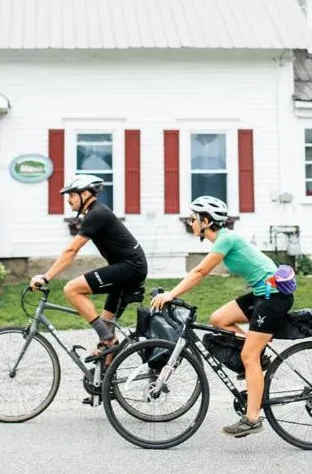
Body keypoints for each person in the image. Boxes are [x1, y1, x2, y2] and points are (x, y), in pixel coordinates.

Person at [150, 195, 293, 439]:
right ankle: (258, 356)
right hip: (262, 294)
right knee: (219, 319)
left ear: (206, 221)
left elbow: (200, 271)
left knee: (248, 355)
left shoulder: (227, 239)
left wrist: (171, 294)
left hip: (274, 297)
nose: (190, 221)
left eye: (193, 218)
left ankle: (252, 418)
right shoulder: (224, 240)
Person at [29, 174, 148, 363]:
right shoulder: (95, 213)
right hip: (129, 269)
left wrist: (46, 277)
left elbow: (71, 250)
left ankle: (107, 338)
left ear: (85, 194)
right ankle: (106, 385)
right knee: (107, 326)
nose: (68, 200)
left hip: (129, 268)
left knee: (72, 289)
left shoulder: (97, 214)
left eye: (71, 195)